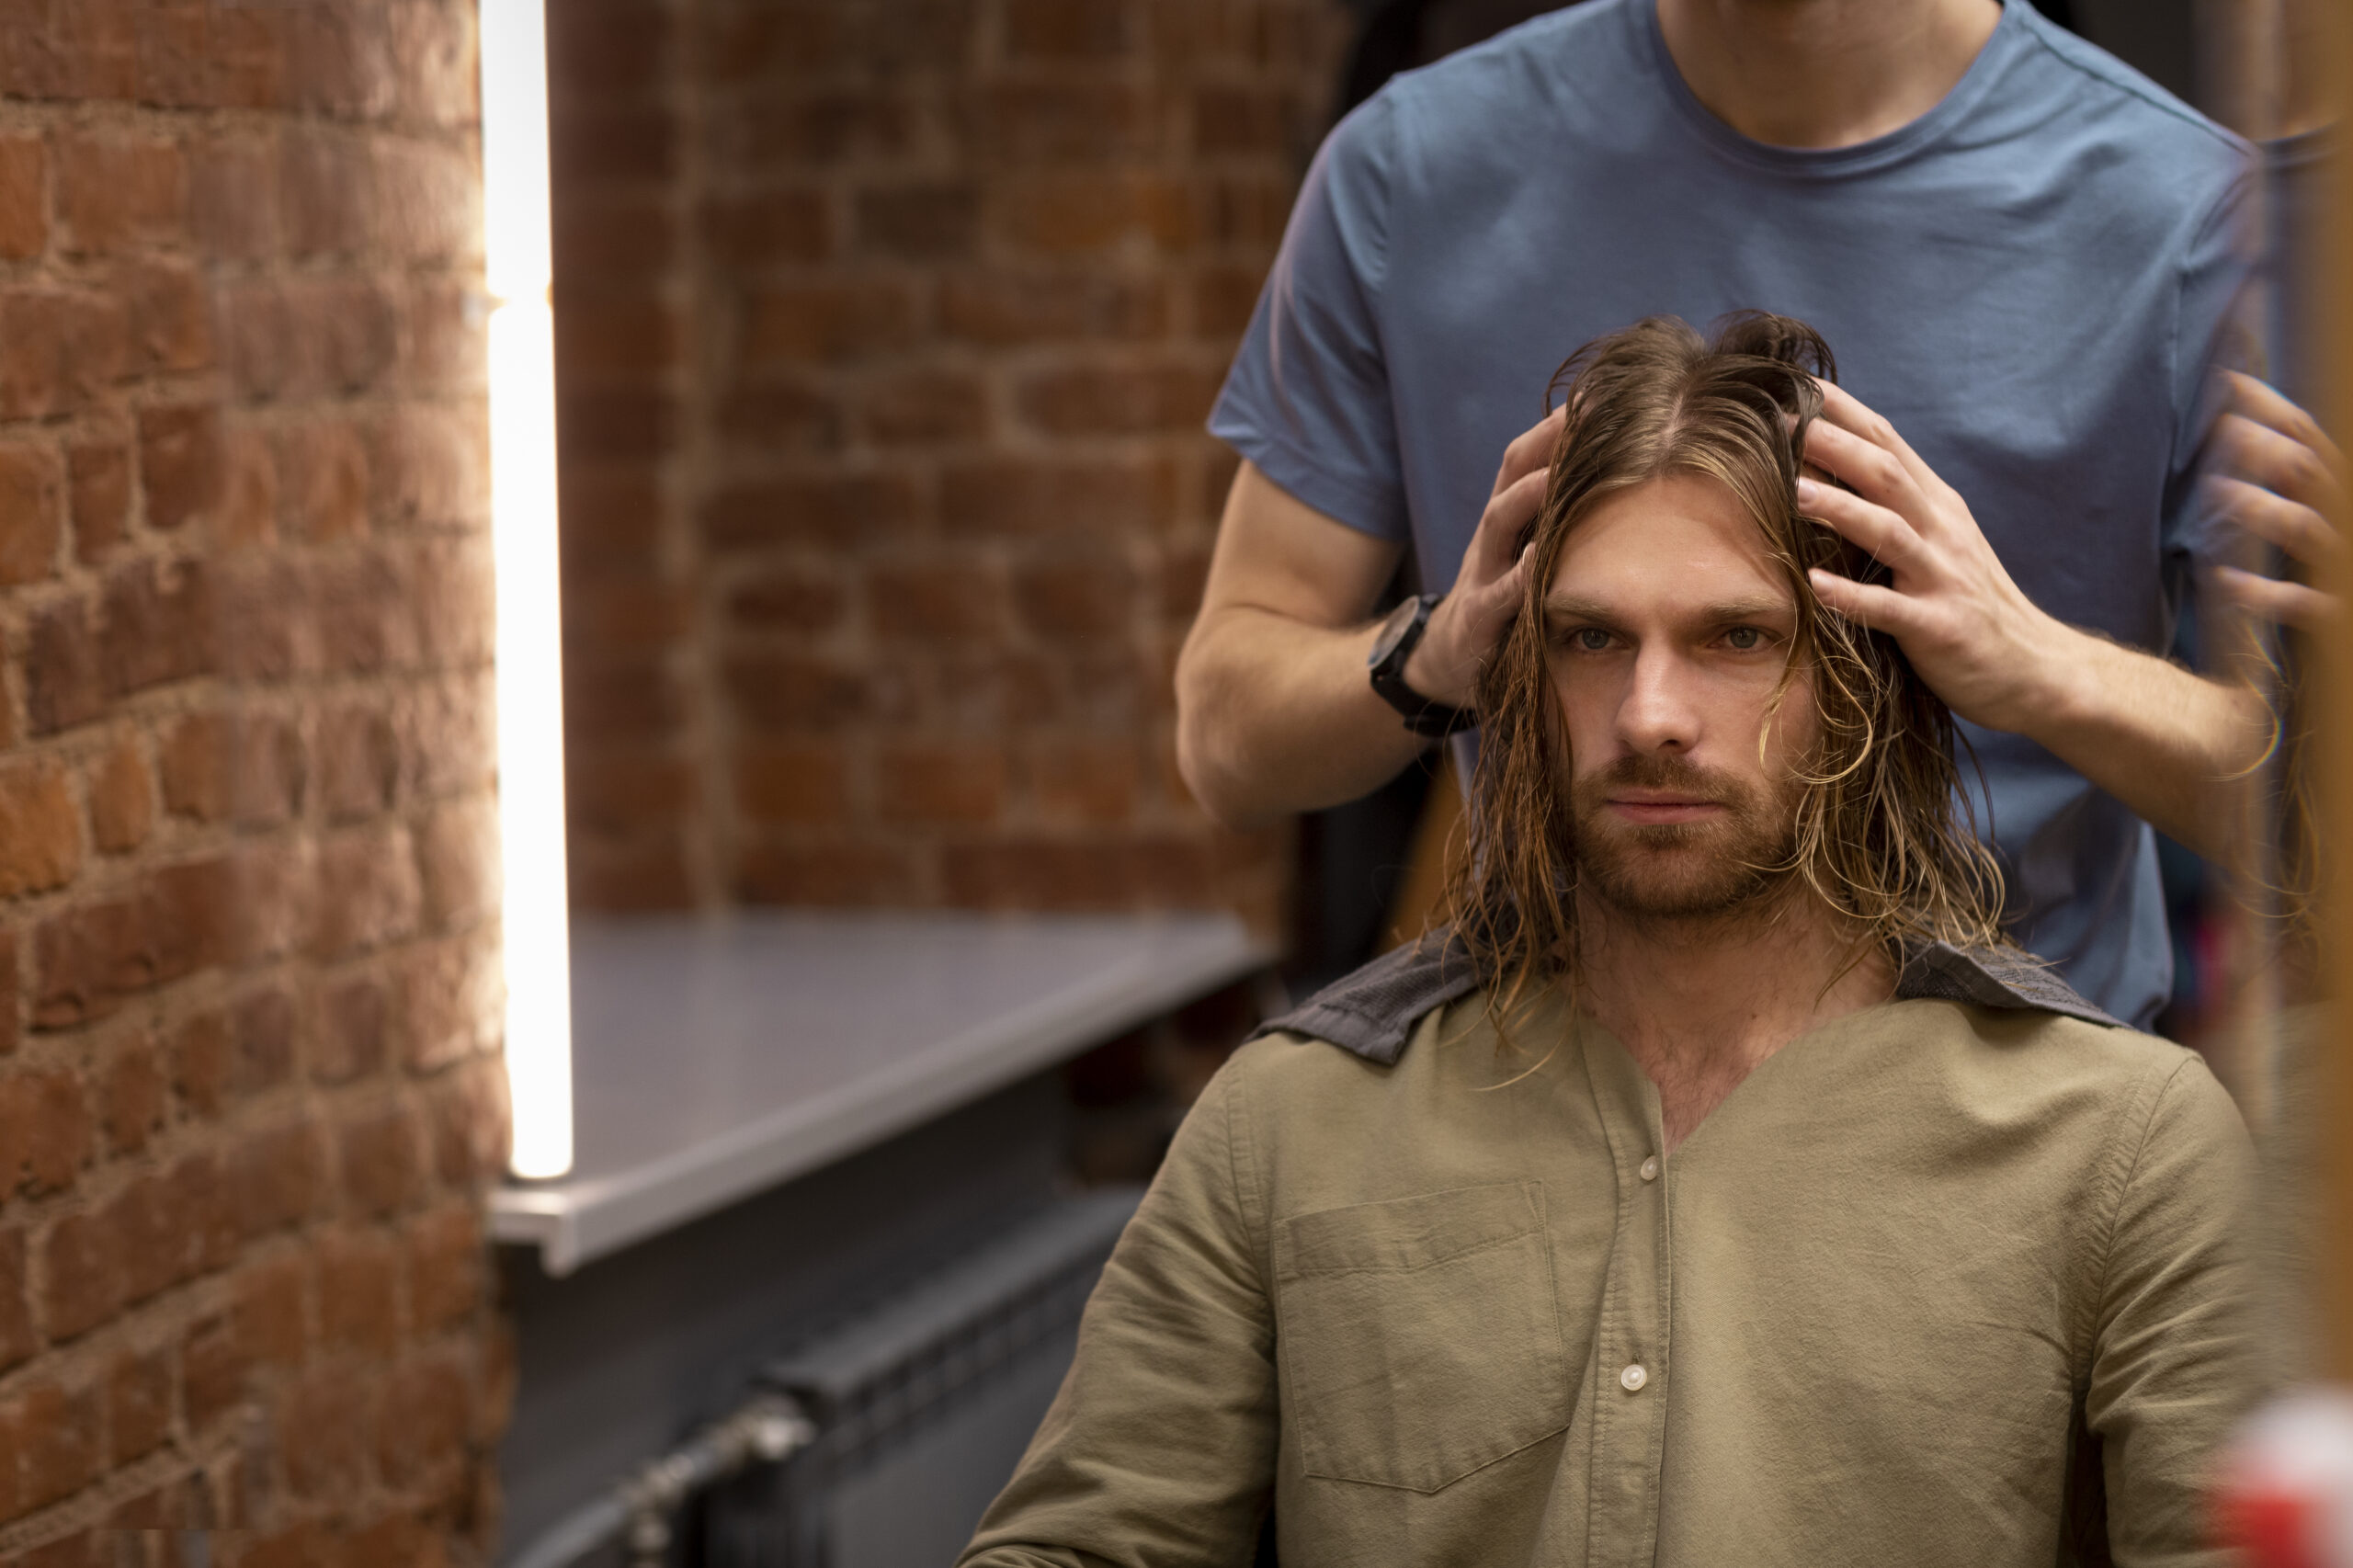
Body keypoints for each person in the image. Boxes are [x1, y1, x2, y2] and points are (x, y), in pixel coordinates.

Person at [962, 316, 2261, 1568]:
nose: (1651, 714)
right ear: (1518, 676)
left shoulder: (2117, 1143)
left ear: (1862, 681)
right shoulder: (1291, 1120)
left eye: (1737, 638)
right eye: (1592, 639)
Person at [1176, 0, 2341, 1029]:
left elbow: (2319, 822)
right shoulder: (1412, 176)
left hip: (2020, 1141)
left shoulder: (2185, 218)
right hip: (1553, 1115)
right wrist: (1437, 657)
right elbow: (1226, 739)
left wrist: (2033, 664)